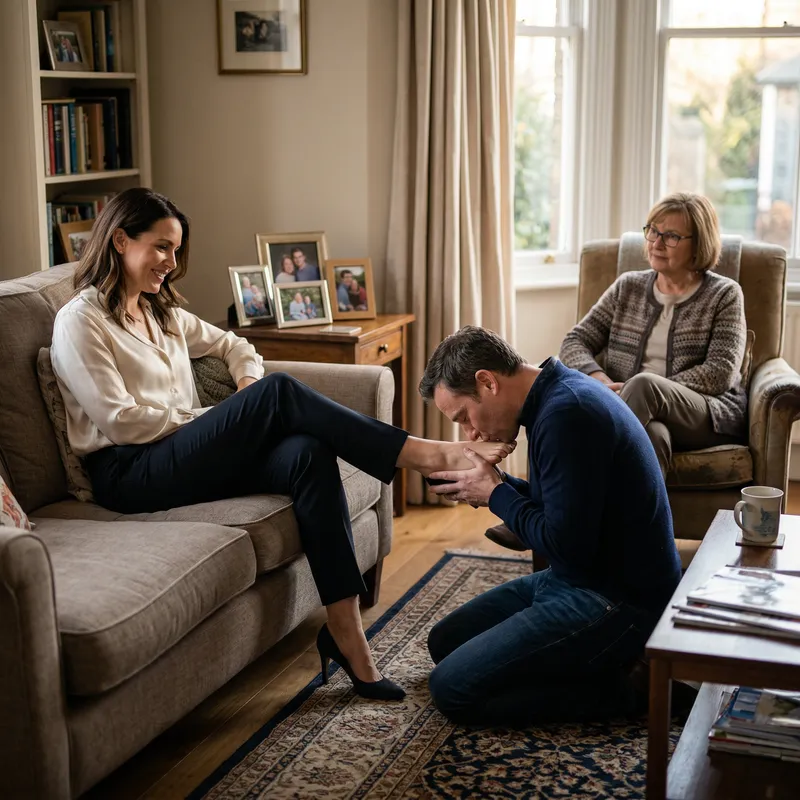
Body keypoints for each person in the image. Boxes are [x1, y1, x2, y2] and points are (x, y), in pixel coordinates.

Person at [49, 188, 514, 703]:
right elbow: (121, 422)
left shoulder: (162, 314)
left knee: (306, 453)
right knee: (280, 393)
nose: (171, 263)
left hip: (180, 456)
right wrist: (220, 417)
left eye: (176, 250)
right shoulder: (80, 320)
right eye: (161, 247)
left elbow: (236, 345)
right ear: (119, 240)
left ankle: (345, 632)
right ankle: (424, 455)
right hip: (129, 473)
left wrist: (244, 388)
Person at [418, 325, 681, 727]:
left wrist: (496, 495)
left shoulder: (567, 415)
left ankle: (629, 689)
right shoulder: (556, 392)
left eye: (464, 417)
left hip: (618, 598)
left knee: (452, 689)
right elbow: (563, 506)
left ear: (487, 382)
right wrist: (495, 486)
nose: (470, 433)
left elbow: (565, 544)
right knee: (446, 642)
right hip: (578, 577)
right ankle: (580, 661)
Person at [559, 192, 747, 479]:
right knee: (653, 437)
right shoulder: (628, 287)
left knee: (645, 386)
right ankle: (639, 525)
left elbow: (719, 372)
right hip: (631, 406)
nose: (656, 243)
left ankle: (559, 505)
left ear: (698, 244)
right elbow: (575, 341)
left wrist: (643, 391)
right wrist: (601, 381)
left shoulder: (724, 294)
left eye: (670, 236)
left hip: (706, 414)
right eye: (653, 232)